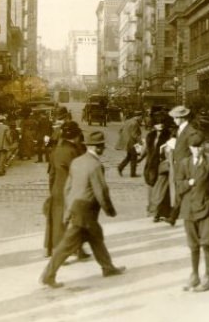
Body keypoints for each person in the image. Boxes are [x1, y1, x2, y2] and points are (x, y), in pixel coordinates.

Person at [39, 131, 125, 289]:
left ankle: (108, 268)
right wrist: (109, 210)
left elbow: (67, 188)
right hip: (86, 210)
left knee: (96, 238)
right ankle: (48, 275)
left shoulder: (77, 161)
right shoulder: (95, 165)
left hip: (77, 207)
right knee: (67, 245)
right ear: (98, 148)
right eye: (102, 146)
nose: (103, 149)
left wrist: (68, 209)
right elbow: (101, 191)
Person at [174, 132, 209, 293]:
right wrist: (187, 183)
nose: (197, 150)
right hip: (188, 210)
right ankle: (194, 275)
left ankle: (208, 277)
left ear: (204, 146)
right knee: (193, 245)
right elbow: (178, 185)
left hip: (205, 211)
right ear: (190, 148)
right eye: (194, 147)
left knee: (207, 244)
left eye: (200, 146)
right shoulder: (184, 163)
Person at [44, 121, 88, 259]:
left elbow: (51, 173)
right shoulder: (75, 151)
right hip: (71, 189)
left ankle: (51, 249)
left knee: (56, 219)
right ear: (76, 136)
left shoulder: (55, 150)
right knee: (77, 218)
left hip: (57, 188)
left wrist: (52, 190)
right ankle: (70, 251)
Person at [167, 105, 203, 224]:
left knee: (185, 189)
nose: (174, 120)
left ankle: (176, 215)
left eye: (176, 118)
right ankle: (174, 215)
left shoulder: (190, 131)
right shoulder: (180, 129)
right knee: (182, 189)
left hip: (187, 165)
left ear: (182, 118)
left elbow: (195, 146)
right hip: (180, 163)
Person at [144, 112, 173, 222]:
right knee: (152, 189)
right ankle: (160, 212)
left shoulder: (169, 135)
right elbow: (146, 151)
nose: (160, 125)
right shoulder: (150, 136)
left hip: (162, 165)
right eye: (157, 123)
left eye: (162, 122)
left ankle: (157, 213)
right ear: (153, 124)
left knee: (161, 190)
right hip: (151, 165)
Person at [117, 112, 143, 177]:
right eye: (141, 118)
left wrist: (124, 137)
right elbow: (134, 135)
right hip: (132, 142)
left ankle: (120, 167)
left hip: (127, 142)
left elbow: (120, 131)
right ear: (138, 116)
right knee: (134, 157)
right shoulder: (135, 123)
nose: (141, 119)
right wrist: (140, 142)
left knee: (129, 156)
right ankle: (133, 173)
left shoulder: (128, 121)